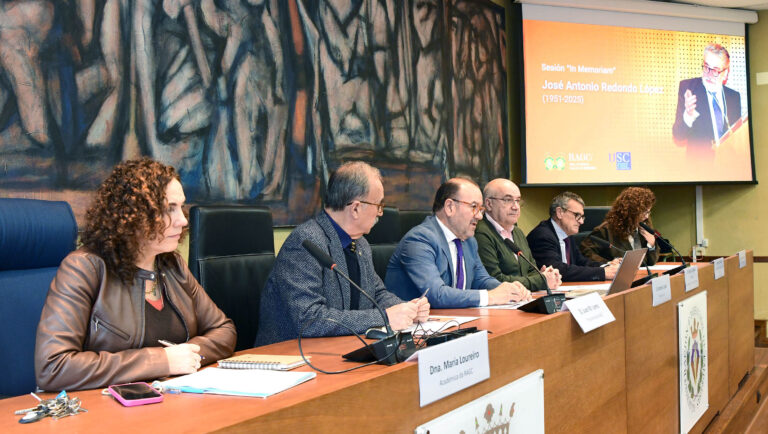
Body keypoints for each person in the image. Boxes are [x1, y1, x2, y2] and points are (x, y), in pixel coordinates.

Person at [35, 158, 236, 391]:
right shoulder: (84, 268)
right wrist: (162, 361)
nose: (183, 220)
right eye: (169, 208)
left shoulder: (173, 266)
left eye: (181, 207)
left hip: (167, 399)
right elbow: (53, 367)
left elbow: (224, 331)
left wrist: (186, 356)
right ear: (133, 215)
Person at [255, 162, 429, 346]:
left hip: (340, 348)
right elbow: (309, 319)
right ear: (355, 208)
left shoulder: (360, 244)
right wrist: (384, 317)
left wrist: (407, 309)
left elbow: (376, 294)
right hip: (291, 356)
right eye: (378, 205)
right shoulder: (306, 243)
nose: (380, 213)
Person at [385, 178, 532, 309]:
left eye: (481, 209)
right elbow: (436, 294)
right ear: (450, 207)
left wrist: (509, 290)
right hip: (412, 329)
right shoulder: (419, 240)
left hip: (453, 322)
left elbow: (481, 280)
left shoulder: (469, 241)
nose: (480, 216)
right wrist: (491, 297)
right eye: (474, 207)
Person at [475, 178, 561, 290]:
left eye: (518, 200)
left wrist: (543, 275)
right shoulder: (481, 233)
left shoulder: (517, 232)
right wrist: (541, 280)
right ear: (489, 204)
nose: (516, 207)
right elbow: (494, 280)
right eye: (508, 200)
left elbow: (530, 270)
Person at [527, 192, 619, 282]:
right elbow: (558, 270)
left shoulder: (567, 234)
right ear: (560, 212)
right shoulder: (542, 236)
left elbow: (582, 262)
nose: (581, 222)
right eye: (577, 215)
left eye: (582, 217)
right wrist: (602, 273)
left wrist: (608, 266)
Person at [672, 43, 742, 158]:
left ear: (725, 73)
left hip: (728, 167)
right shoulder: (689, 88)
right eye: (706, 67)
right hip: (699, 168)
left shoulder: (733, 97)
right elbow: (678, 135)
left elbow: (736, 138)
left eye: (715, 70)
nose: (708, 74)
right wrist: (688, 115)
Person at [579, 187, 660, 266]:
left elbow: (650, 262)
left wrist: (652, 245)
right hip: (614, 276)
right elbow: (585, 251)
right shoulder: (606, 230)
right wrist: (607, 263)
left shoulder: (643, 229)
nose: (646, 216)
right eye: (643, 212)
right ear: (631, 212)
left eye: (648, 212)